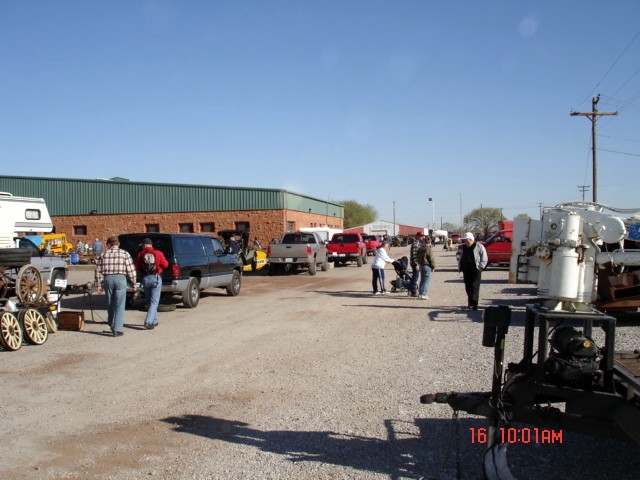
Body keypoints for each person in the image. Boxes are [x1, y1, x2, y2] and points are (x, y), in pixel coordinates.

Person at [95, 236, 136, 336]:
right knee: (119, 304)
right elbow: (131, 269)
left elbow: (98, 270)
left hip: (108, 279)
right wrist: (133, 283)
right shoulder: (125, 253)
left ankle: (111, 324)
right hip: (121, 278)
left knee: (110, 302)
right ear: (118, 244)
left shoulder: (103, 254)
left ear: (109, 244)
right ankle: (117, 328)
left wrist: (98, 284)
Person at [135, 238, 169, 330]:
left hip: (146, 278)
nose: (142, 246)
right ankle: (148, 321)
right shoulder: (158, 253)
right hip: (156, 278)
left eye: (142, 245)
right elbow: (165, 264)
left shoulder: (140, 254)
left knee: (150, 300)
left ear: (145, 245)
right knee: (154, 301)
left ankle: (154, 320)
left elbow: (137, 267)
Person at [458, 232, 488, 310]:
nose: (465, 241)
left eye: (466, 240)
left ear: (471, 239)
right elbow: (460, 256)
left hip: (476, 270)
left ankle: (474, 305)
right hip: (466, 270)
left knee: (474, 287)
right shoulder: (464, 247)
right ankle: (470, 303)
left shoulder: (479, 246)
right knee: (468, 287)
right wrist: (460, 266)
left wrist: (480, 267)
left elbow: (484, 258)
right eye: (464, 240)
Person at [409, 232, 425, 297]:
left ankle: (410, 290)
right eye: (421, 236)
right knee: (415, 277)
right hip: (415, 263)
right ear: (417, 236)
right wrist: (417, 264)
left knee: (415, 277)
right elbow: (415, 255)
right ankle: (413, 291)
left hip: (416, 263)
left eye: (422, 236)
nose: (422, 237)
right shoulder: (415, 244)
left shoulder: (418, 244)